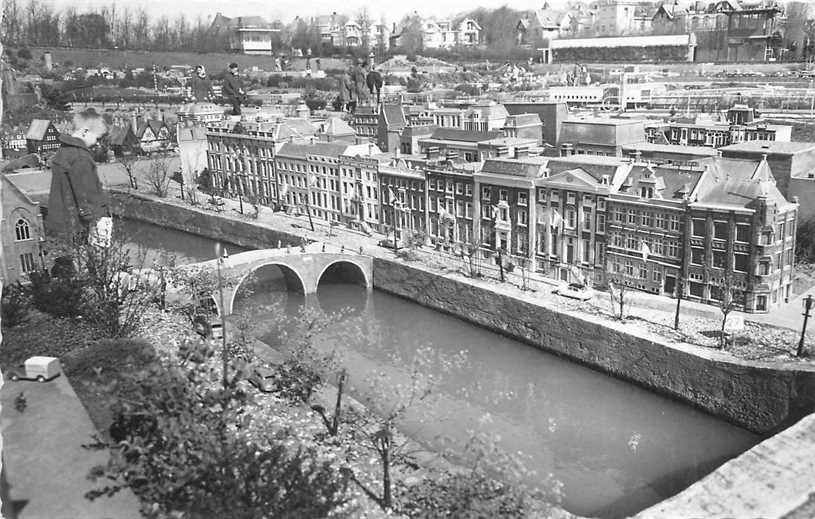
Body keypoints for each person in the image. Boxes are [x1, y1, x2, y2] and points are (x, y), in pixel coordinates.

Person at [47, 109, 111, 251]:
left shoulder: (63, 151)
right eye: (97, 138)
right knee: (97, 259)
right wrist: (99, 217)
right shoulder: (80, 157)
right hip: (81, 223)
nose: (97, 143)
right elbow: (87, 194)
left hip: (64, 221)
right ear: (84, 132)